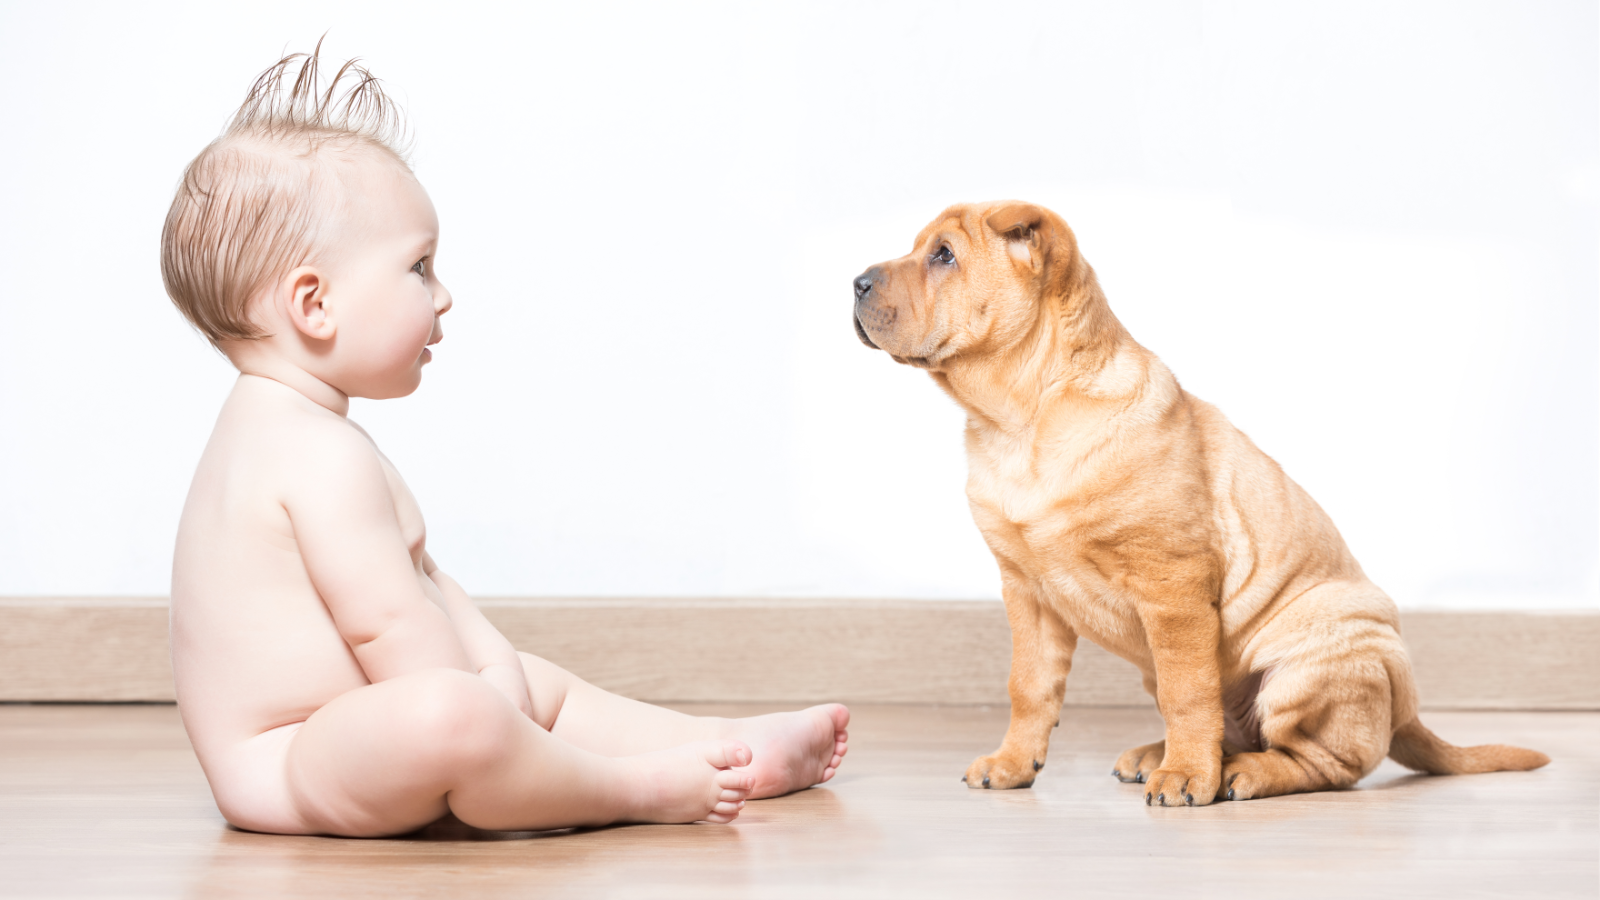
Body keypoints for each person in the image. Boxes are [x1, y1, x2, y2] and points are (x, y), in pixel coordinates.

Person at [161, 47, 848, 837]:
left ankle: (724, 747)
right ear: (314, 304)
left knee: (528, 682)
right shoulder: (314, 452)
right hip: (289, 762)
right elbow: (385, 627)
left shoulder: (293, 428)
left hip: (358, 733)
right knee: (458, 712)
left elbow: (425, 586)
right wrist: (483, 697)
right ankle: (633, 789)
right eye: (418, 267)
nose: (443, 294)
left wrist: (497, 670)